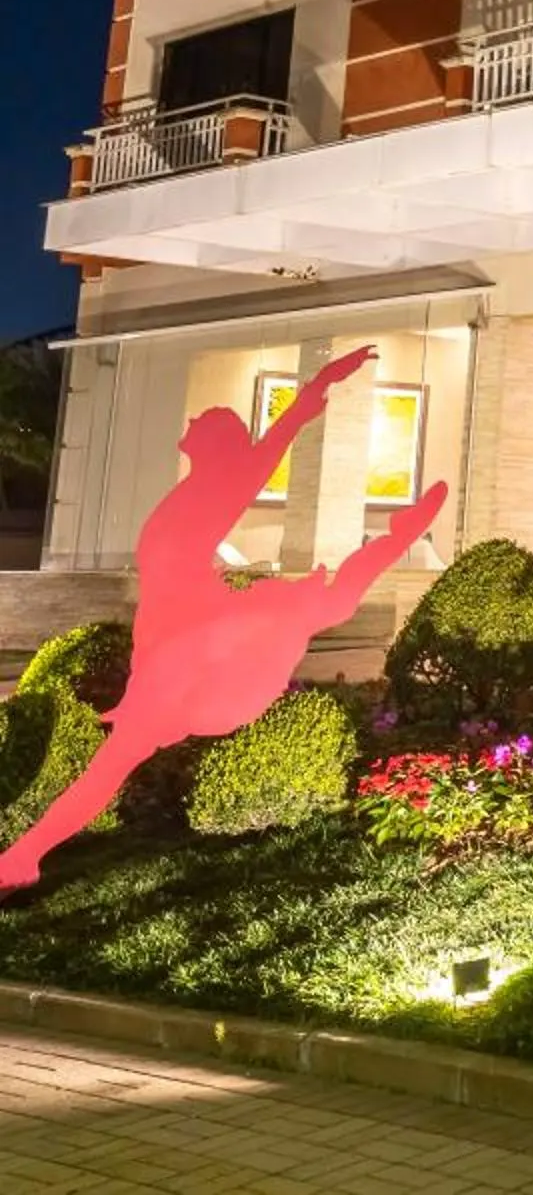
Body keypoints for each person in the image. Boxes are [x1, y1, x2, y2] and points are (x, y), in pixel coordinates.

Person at [0, 345, 448, 889]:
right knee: (112, 764)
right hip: (171, 646)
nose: (191, 421)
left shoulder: (223, 491)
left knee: (320, 605)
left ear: (215, 442)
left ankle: (24, 856)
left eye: (206, 420)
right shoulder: (196, 491)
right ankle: (24, 856)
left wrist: (318, 387)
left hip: (193, 651)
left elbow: (276, 441)